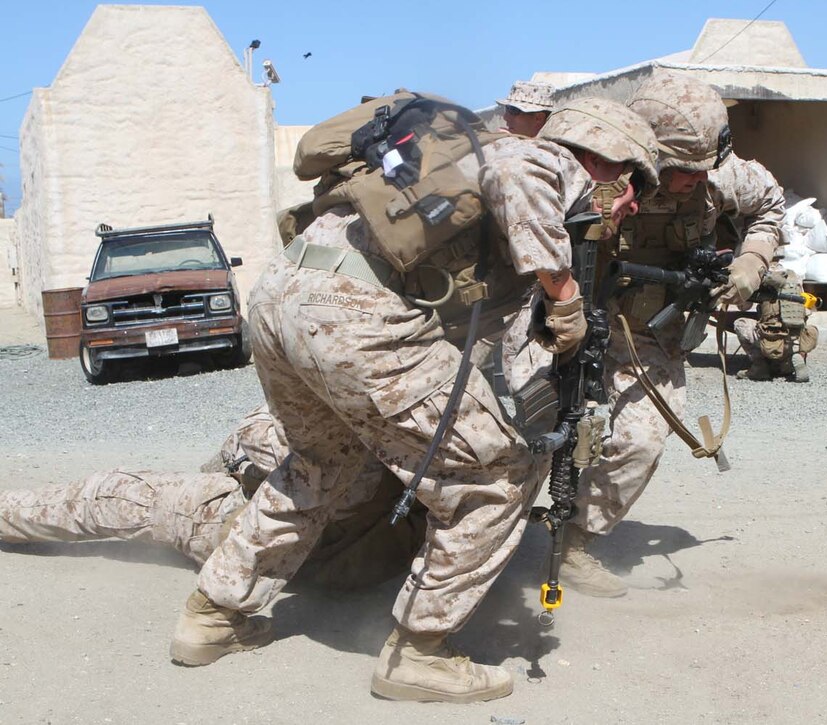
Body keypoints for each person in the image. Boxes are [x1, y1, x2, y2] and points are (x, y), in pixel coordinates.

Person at [169, 96, 658, 704]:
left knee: (321, 463)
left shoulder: (462, 153)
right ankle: (419, 655)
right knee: (498, 474)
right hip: (357, 314)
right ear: (608, 157)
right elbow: (515, 179)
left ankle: (212, 615)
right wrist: (563, 299)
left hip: (283, 296)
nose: (636, 203)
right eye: (638, 183)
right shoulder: (541, 158)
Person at [502, 70, 784, 598]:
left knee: (639, 440)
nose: (697, 181)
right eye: (682, 171)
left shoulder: (722, 176)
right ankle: (481, 537)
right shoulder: (592, 171)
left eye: (706, 170)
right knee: (524, 431)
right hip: (563, 315)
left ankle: (579, 541)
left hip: (651, 330)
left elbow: (769, 206)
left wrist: (751, 259)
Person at [0, 406, 427, 590]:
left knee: (109, 496)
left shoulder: (353, 445)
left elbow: (261, 440)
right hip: (351, 545)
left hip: (249, 526)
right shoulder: (424, 436)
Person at [734, 266, 818, 382]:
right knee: (802, 327)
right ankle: (795, 357)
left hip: (771, 336)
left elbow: (743, 307)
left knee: (740, 324)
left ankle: (760, 367)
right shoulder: (794, 278)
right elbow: (806, 311)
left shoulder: (762, 278)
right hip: (795, 340)